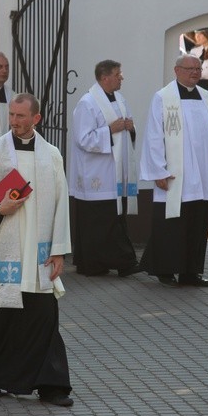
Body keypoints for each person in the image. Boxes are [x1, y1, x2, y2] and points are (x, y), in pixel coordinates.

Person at [0, 93, 73, 406]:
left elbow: (61, 204)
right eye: (11, 115)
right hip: (1, 253)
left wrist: (59, 250)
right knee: (0, 320)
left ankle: (51, 384)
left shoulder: (51, 155)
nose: (14, 122)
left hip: (37, 256)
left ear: (36, 118)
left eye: (21, 116)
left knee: (42, 319)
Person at [139, 55, 208, 287]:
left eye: (198, 68)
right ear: (177, 70)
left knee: (199, 222)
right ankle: (166, 270)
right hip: (175, 174)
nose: (194, 72)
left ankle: (192, 272)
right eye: (189, 68)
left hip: (204, 173)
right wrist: (158, 171)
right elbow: (153, 135)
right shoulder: (163, 98)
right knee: (173, 224)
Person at [69, 60, 139, 277]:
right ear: (104, 77)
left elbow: (125, 131)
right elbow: (83, 139)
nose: (121, 78)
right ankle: (96, 264)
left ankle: (119, 261)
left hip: (115, 174)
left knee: (114, 220)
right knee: (99, 222)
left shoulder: (119, 99)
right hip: (96, 175)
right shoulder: (87, 103)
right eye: (118, 74)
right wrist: (110, 130)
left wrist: (130, 128)